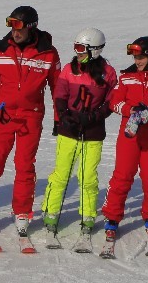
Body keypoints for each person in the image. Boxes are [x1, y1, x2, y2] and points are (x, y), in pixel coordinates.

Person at [0, 5, 60, 236]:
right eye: (10, 24)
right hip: (3, 115)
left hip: (31, 117)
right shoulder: (1, 49)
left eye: (18, 25)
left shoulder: (48, 53)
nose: (14, 30)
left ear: (31, 26)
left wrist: (60, 118)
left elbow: (57, 88)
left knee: (25, 166)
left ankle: (22, 212)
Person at [42, 27, 118, 237]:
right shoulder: (69, 69)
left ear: (94, 50)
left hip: (92, 132)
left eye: (82, 49)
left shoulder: (108, 73)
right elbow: (60, 94)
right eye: (76, 48)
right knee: (61, 173)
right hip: (69, 130)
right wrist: (64, 116)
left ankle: (87, 215)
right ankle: (51, 211)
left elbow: (111, 101)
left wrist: (94, 116)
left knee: (87, 176)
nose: (78, 53)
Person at [101, 37, 148, 240]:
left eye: (141, 57)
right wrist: (130, 109)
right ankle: (112, 216)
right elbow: (114, 102)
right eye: (135, 57)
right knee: (122, 175)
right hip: (130, 132)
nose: (137, 61)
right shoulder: (127, 77)